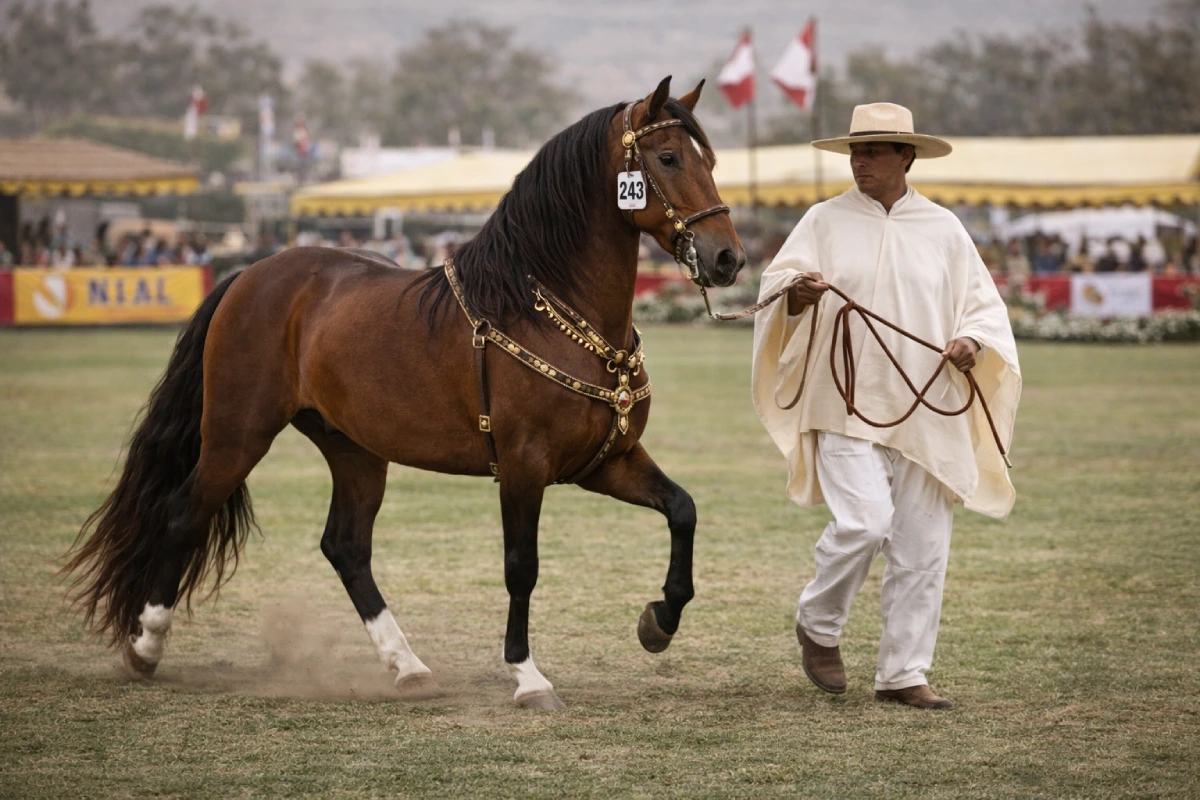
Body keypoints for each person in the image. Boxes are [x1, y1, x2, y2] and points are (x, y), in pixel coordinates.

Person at [752, 103, 1021, 710]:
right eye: (855, 150)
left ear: (906, 157)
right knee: (865, 522)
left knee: (924, 547)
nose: (860, 160)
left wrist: (972, 341)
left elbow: (983, 307)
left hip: (929, 404)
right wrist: (794, 293)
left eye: (873, 150)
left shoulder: (944, 228)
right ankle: (818, 627)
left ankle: (904, 674)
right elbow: (773, 291)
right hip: (842, 398)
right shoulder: (821, 220)